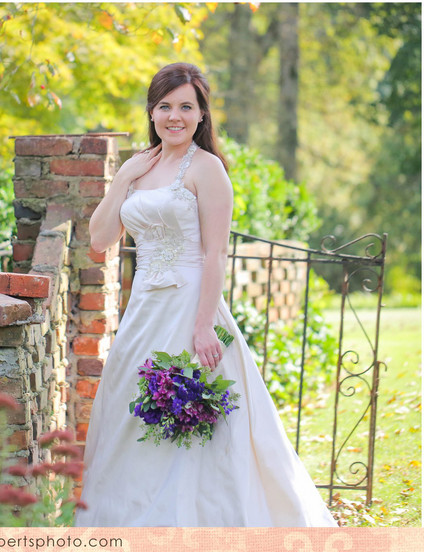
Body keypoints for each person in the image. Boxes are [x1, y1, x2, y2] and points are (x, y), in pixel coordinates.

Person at [73, 62, 337, 527]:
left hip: (191, 304)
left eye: (186, 107)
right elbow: (99, 239)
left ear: (200, 115)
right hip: (143, 311)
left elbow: (215, 255)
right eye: (165, 106)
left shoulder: (208, 168)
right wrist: (120, 179)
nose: (174, 116)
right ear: (152, 112)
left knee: (196, 420)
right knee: (129, 411)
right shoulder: (139, 169)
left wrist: (202, 327)